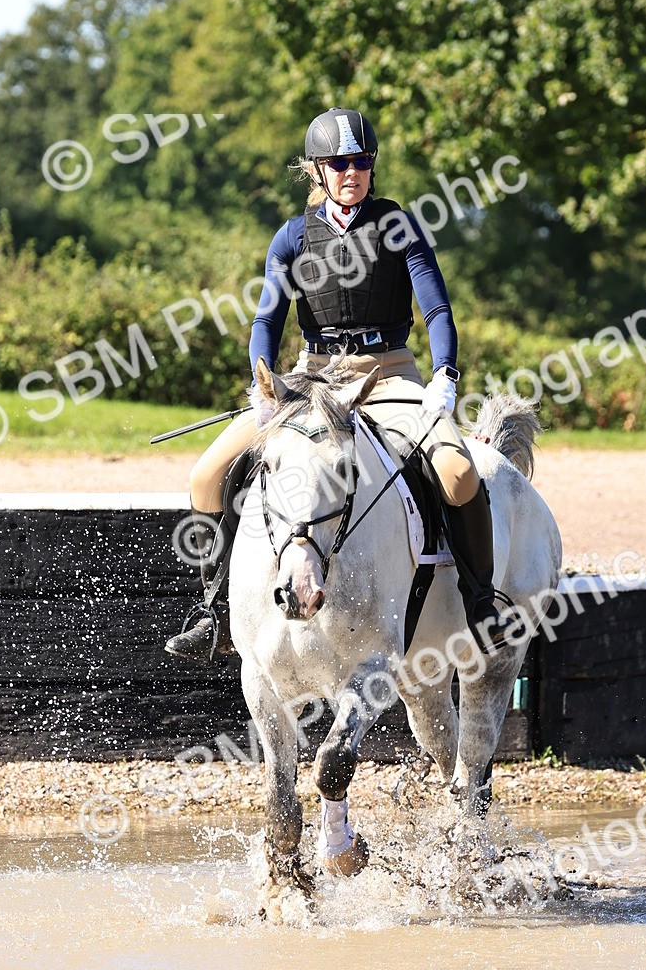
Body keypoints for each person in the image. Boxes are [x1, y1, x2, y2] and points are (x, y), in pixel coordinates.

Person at [165, 107, 513, 664]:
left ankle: (480, 605)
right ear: (317, 171)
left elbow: (438, 311)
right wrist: (263, 381)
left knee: (458, 470)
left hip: (389, 373)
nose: (352, 172)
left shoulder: (399, 226)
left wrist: (444, 376)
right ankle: (212, 613)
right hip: (311, 379)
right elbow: (266, 322)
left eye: (362, 162)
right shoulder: (290, 237)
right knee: (205, 475)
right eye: (339, 163)